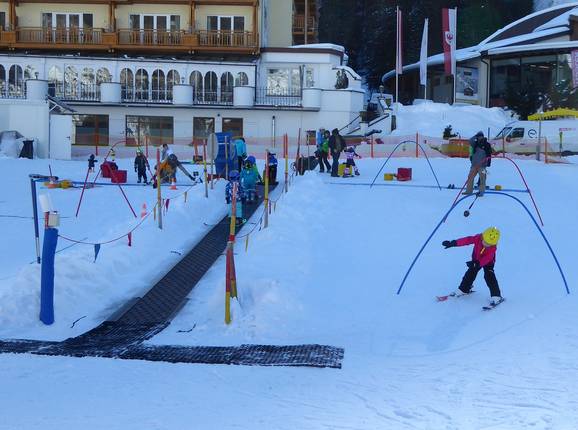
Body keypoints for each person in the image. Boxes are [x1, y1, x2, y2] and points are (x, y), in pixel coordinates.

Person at [442, 227, 503, 306]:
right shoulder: (478, 238)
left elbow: (487, 258)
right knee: (470, 273)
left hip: (488, 262)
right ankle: (464, 289)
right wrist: (454, 243)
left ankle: (496, 296)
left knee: (489, 276)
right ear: (483, 237)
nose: (486, 244)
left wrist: (477, 263)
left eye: (489, 244)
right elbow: (467, 240)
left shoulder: (493, 248)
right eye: (485, 242)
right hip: (476, 259)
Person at [464, 131, 492, 196]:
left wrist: (488, 163)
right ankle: (468, 191)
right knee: (470, 177)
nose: (480, 137)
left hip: (482, 165)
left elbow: (489, 154)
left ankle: (481, 192)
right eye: (478, 136)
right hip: (474, 165)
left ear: (483, 136)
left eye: (481, 136)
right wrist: (475, 136)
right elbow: (470, 141)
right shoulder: (475, 143)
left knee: (482, 179)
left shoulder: (487, 144)